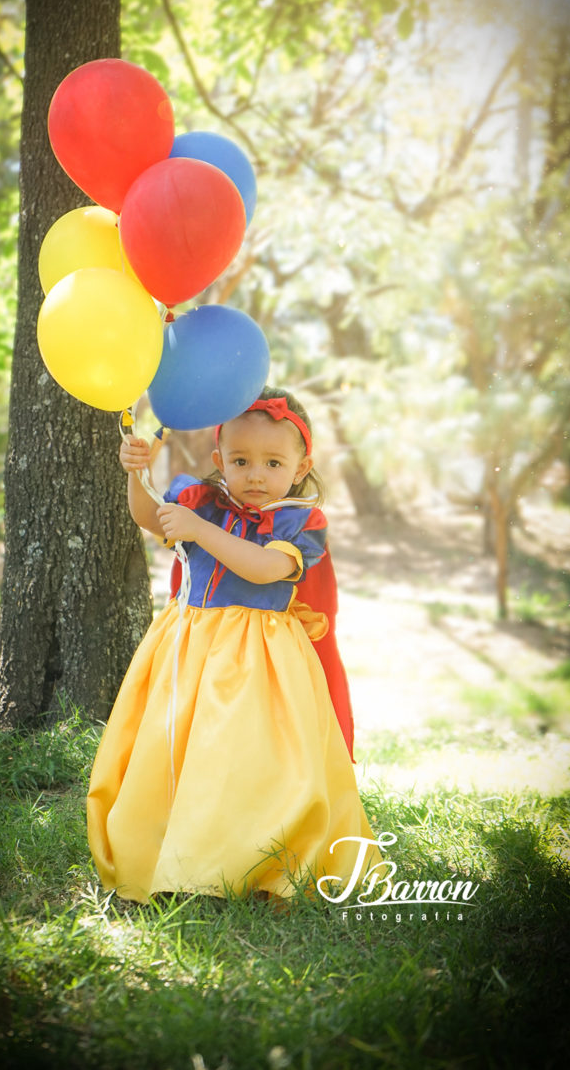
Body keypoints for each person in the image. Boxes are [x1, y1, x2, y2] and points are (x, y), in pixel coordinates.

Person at [86, 387, 380, 903]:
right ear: (219, 460)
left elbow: (266, 569)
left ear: (301, 464)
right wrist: (139, 474)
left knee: (249, 758)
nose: (256, 475)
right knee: (180, 750)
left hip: (260, 657)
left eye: (272, 462)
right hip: (188, 645)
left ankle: (254, 859)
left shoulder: (300, 521)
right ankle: (178, 848)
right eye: (241, 461)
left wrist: (201, 531)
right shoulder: (200, 500)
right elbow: (150, 517)